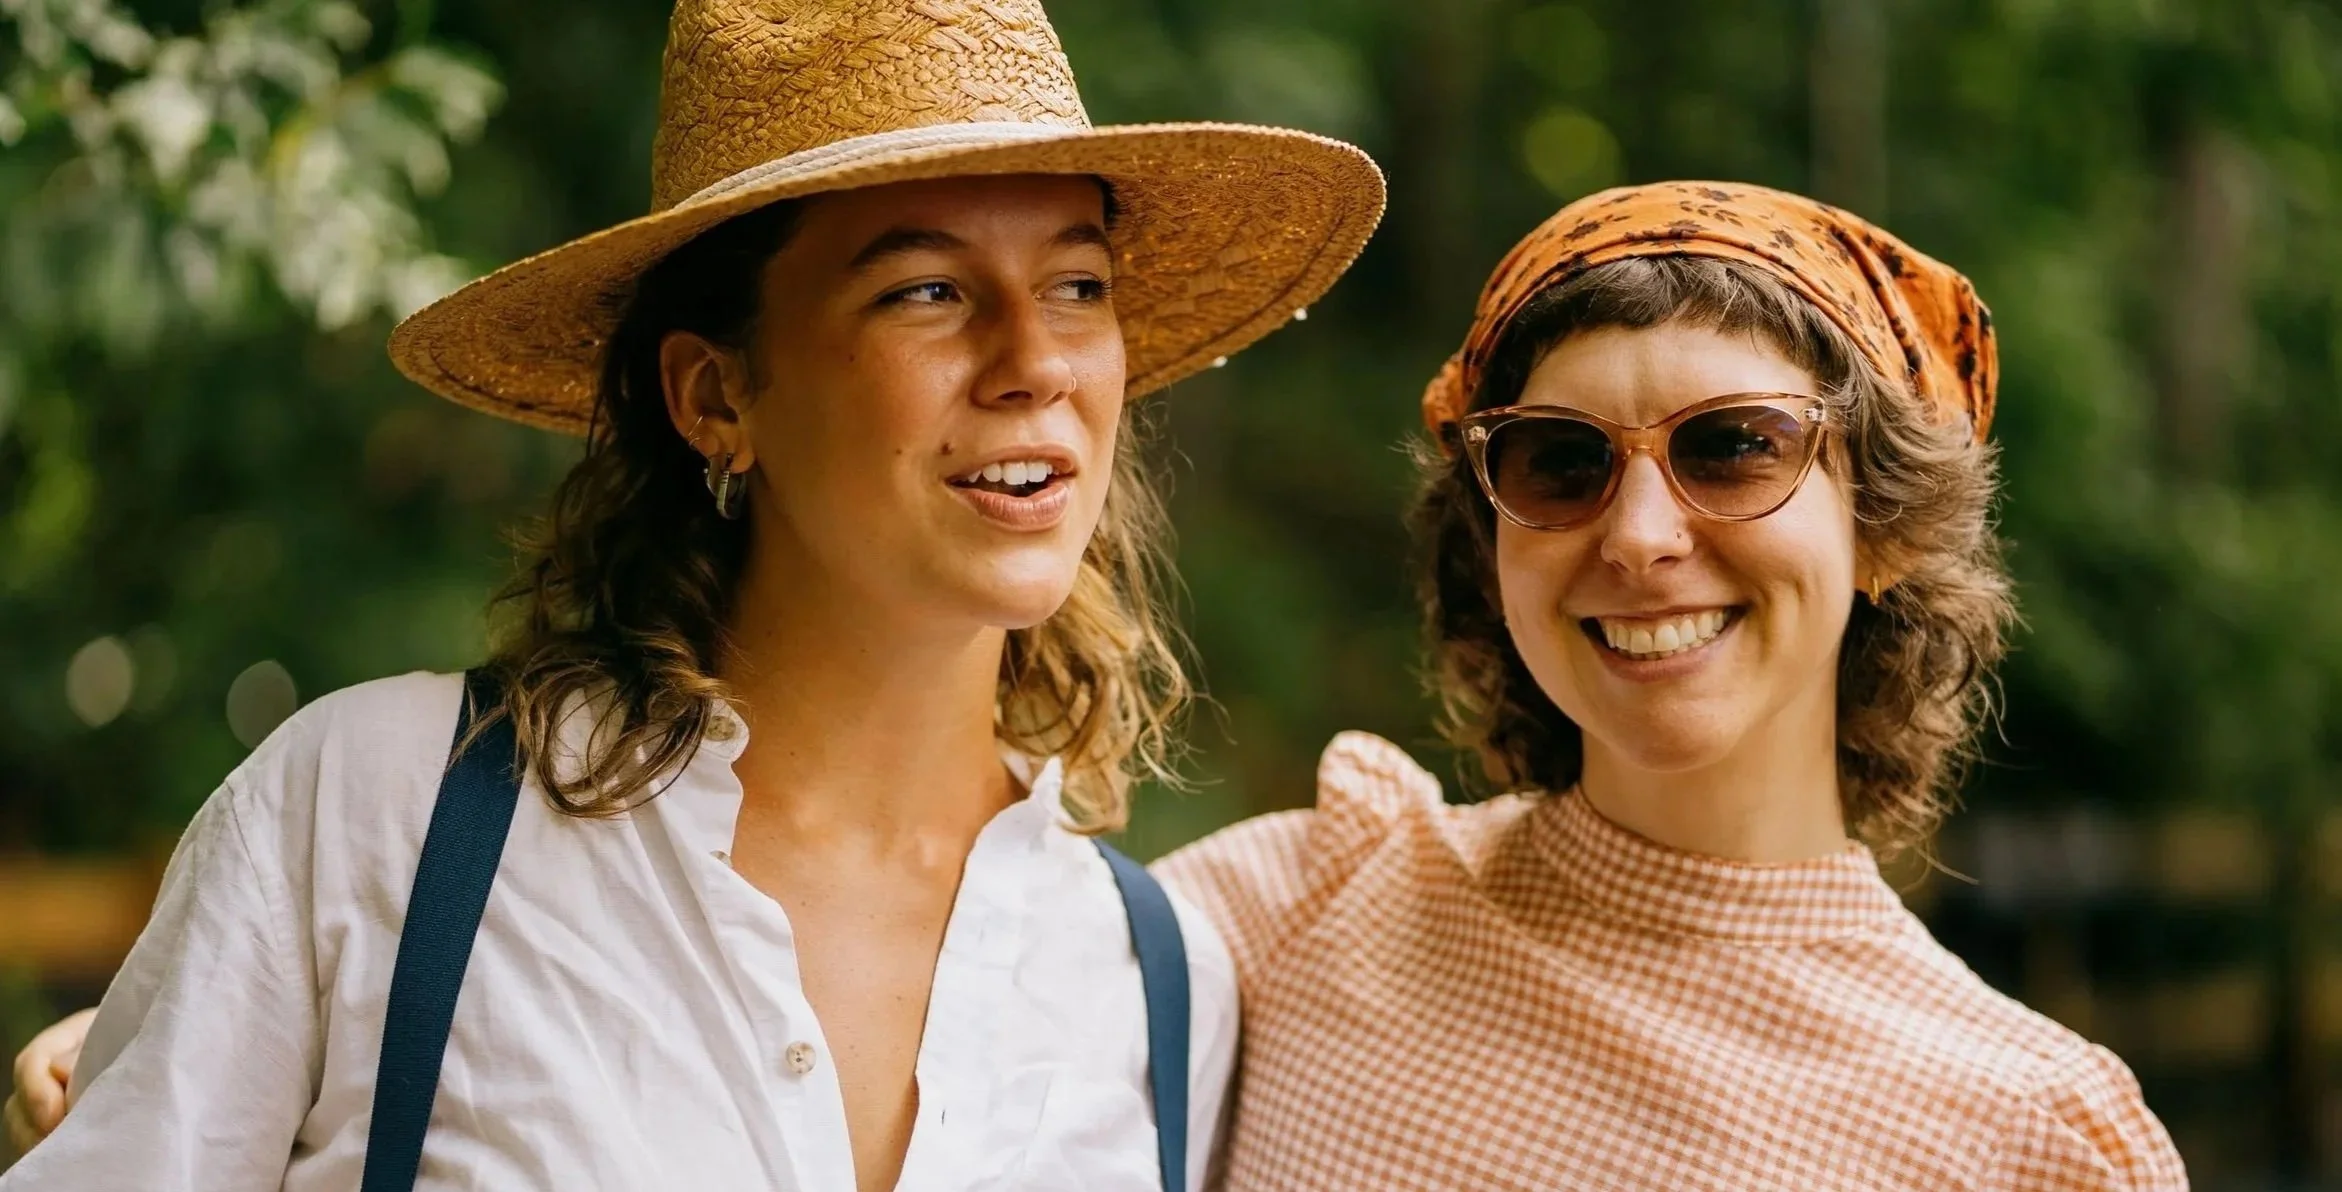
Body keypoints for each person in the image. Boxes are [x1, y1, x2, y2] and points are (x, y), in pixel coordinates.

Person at [0, 0, 1382, 1189]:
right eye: (922, 293)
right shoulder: (375, 819)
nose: (1036, 362)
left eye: (1077, 283)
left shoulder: (1159, 984)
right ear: (717, 395)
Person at [1155, 182, 2188, 1189]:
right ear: (1490, 546)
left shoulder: (2030, 1141)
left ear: (1883, 524)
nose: (1640, 537)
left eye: (1733, 447)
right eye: (1558, 460)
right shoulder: (1298, 907)